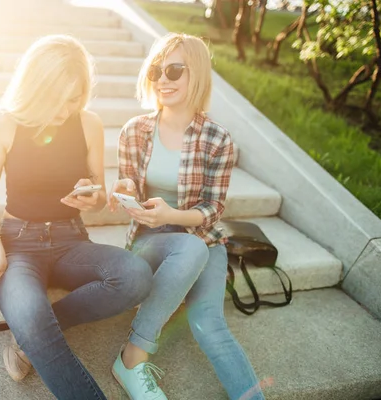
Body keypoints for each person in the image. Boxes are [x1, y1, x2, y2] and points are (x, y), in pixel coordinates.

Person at [0, 34, 152, 400]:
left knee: (136, 276)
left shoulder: (89, 123)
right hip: (18, 243)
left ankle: (31, 335)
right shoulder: (4, 121)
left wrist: (93, 197)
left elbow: (99, 196)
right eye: (57, 98)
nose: (65, 109)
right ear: (36, 87)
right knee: (31, 315)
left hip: (72, 240)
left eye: (74, 98)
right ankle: (33, 328)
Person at [107, 33, 265, 400]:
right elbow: (131, 183)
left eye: (175, 70)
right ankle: (132, 356)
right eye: (157, 71)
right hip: (149, 241)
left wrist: (175, 214)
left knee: (208, 323)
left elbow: (213, 209)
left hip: (203, 237)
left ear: (198, 74)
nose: (163, 79)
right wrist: (126, 192)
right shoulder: (135, 131)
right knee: (190, 249)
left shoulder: (218, 140)